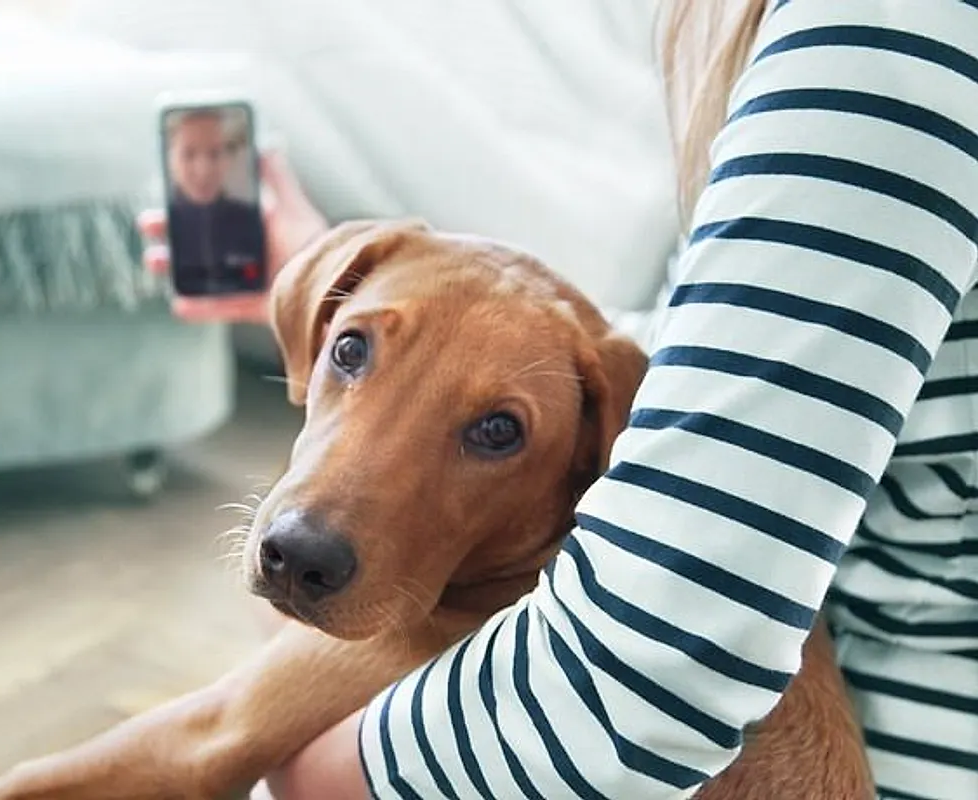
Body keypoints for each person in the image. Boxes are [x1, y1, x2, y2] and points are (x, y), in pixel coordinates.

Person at [143, 1, 978, 797]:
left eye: (496, 431)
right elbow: (743, 364)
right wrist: (373, 296)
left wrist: (307, 773)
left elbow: (652, 683)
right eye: (350, 351)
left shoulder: (880, 39)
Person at [163, 108, 267, 293]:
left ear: (228, 158)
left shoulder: (252, 219)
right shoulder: (163, 227)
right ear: (169, 158)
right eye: (188, 154)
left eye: (215, 153)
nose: (203, 170)